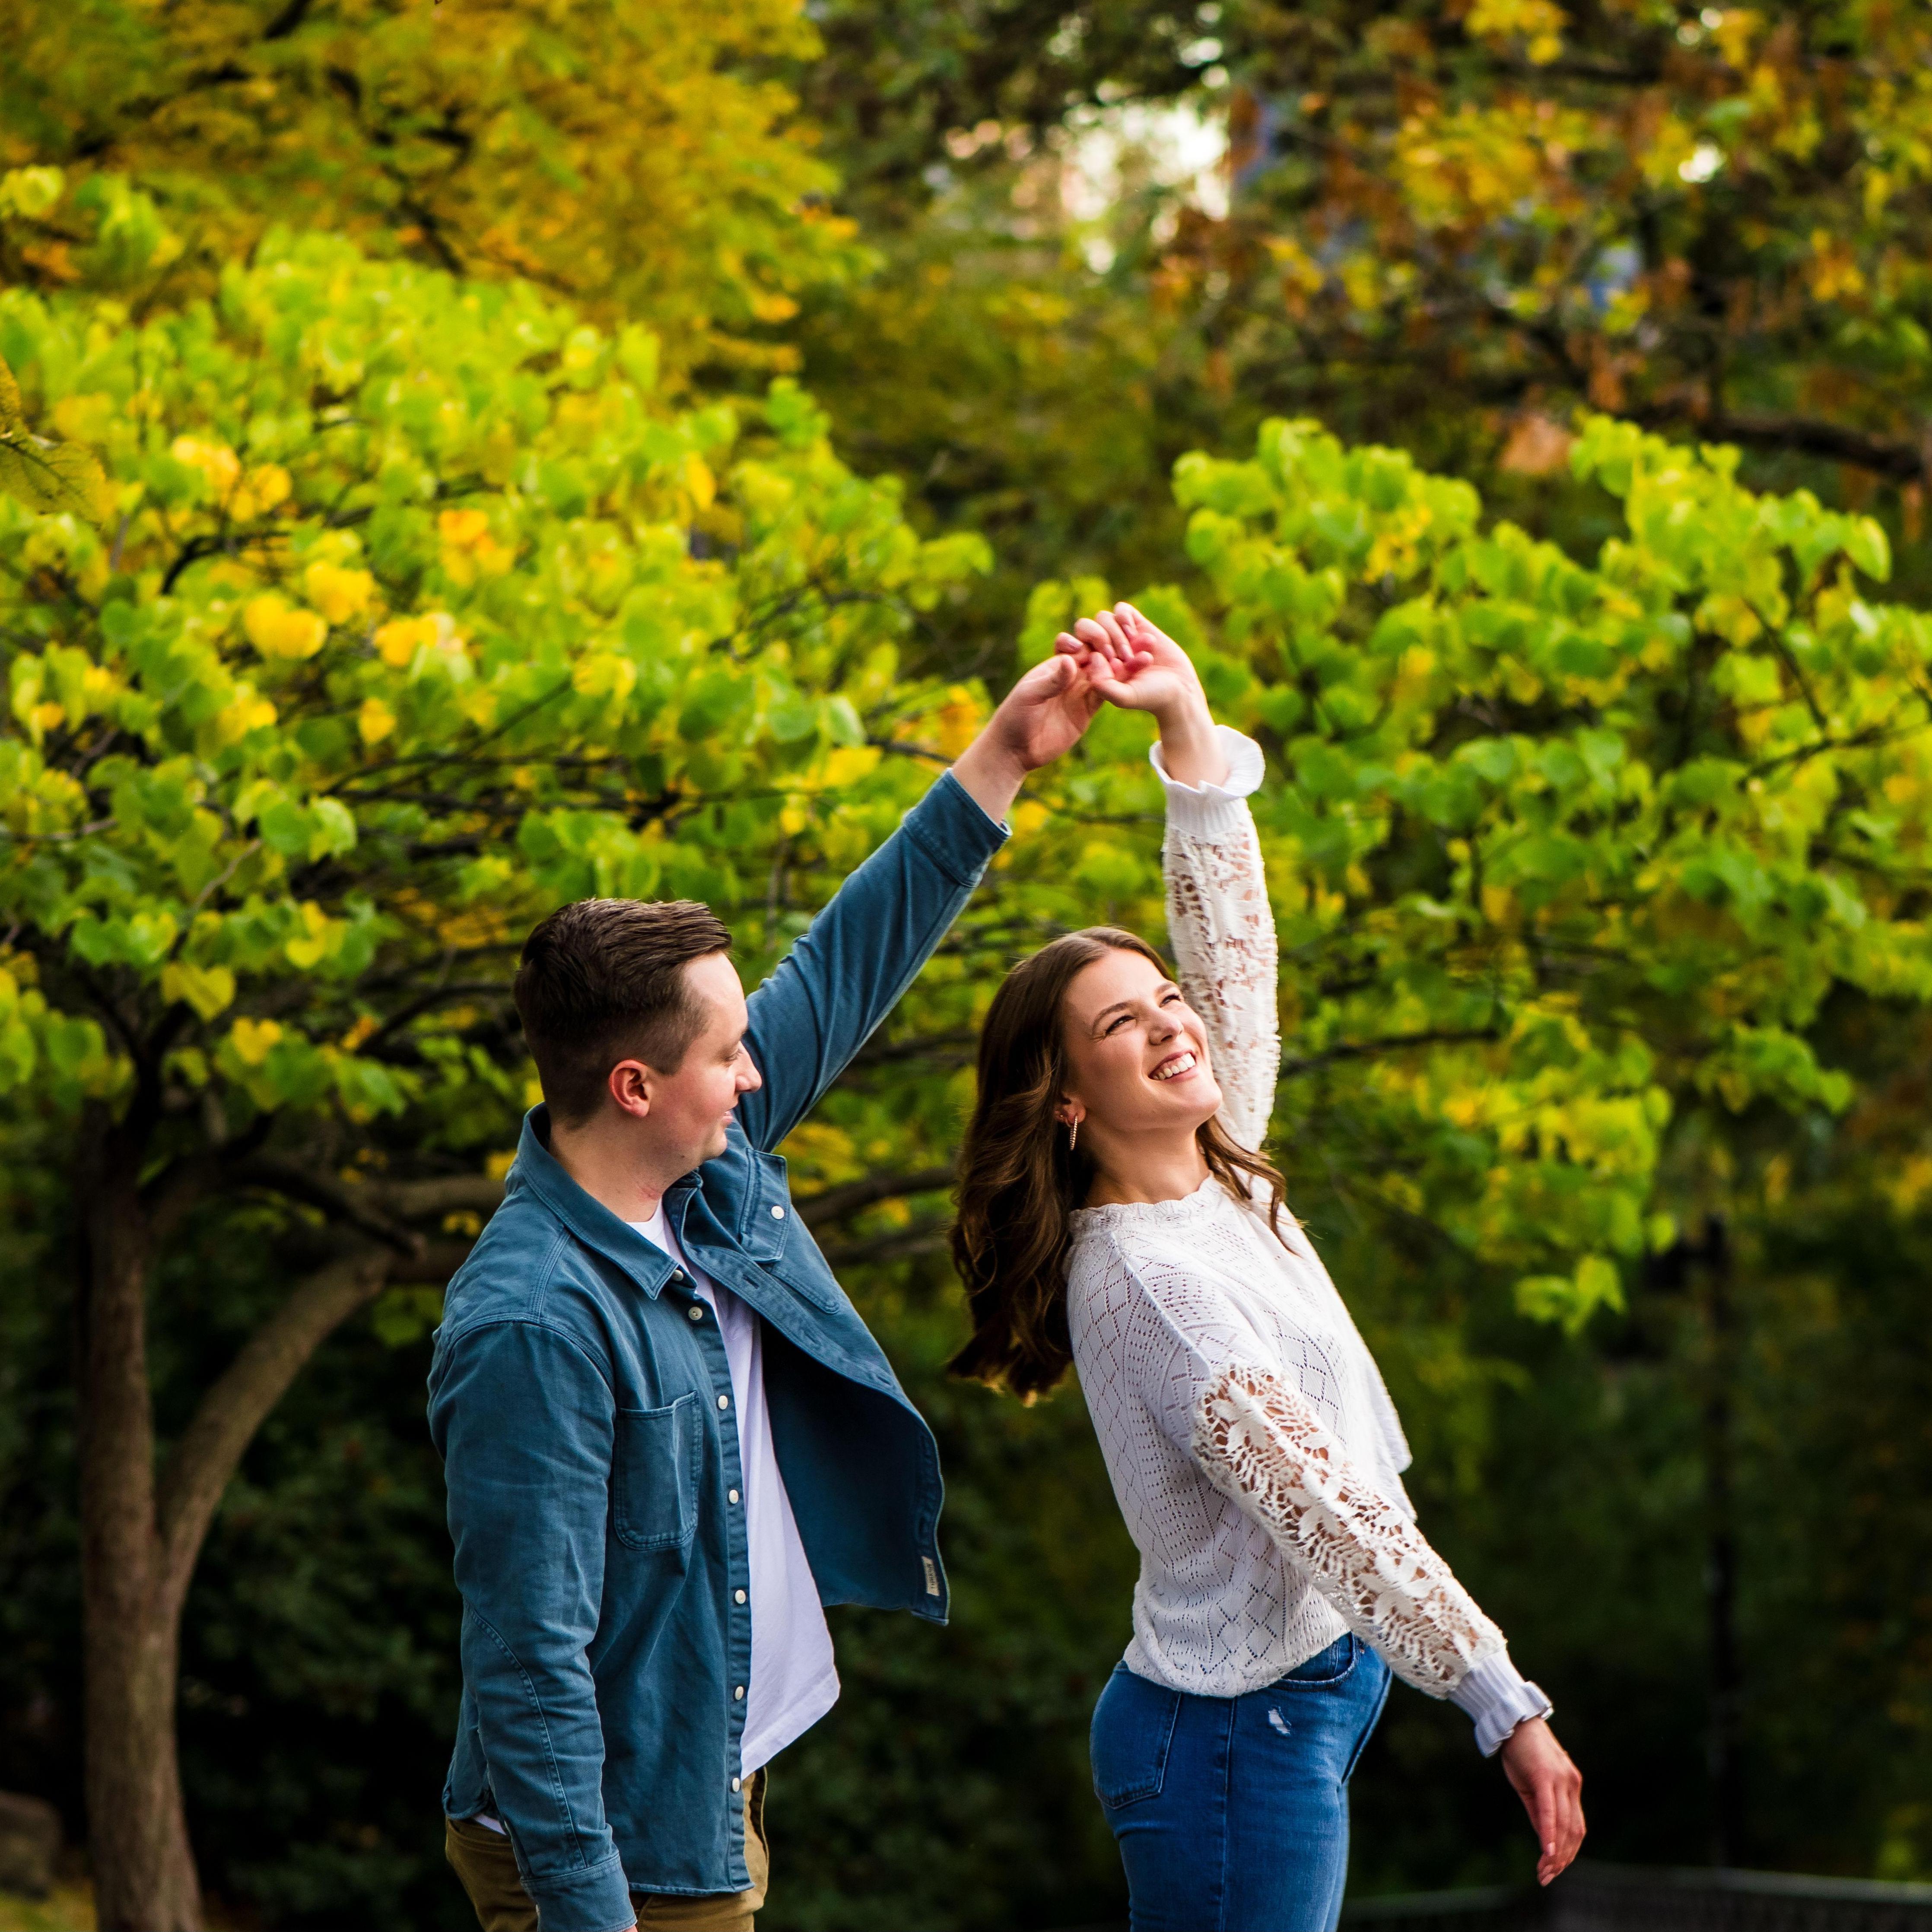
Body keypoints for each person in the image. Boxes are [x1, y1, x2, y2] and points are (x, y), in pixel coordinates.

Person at [428, 649, 1103, 1932]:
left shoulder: (703, 1169)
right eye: (728, 1053)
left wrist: (1005, 758)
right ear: (635, 1086)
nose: (755, 1073)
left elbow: (848, 962)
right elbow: (528, 1669)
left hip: (712, 1782)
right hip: (620, 1853)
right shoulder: (532, 1325)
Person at [950, 604, 1586, 1932]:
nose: (1174, 1027)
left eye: (1163, 1001)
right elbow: (1327, 1508)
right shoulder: (1150, 1282)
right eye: (1124, 1027)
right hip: (1231, 1743)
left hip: (1293, 1701)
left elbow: (1233, 958)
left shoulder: (1219, 1166)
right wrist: (1499, 1700)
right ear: (1067, 1100)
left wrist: (1185, 725)